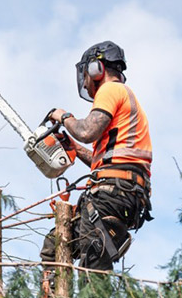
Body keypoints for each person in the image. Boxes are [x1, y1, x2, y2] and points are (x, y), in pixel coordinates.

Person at [40, 40, 153, 272]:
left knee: (93, 263)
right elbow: (104, 160)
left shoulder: (111, 89)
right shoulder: (123, 100)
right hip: (120, 190)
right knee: (55, 244)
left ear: (95, 69)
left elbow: (86, 131)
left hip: (114, 193)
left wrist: (62, 116)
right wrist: (73, 146)